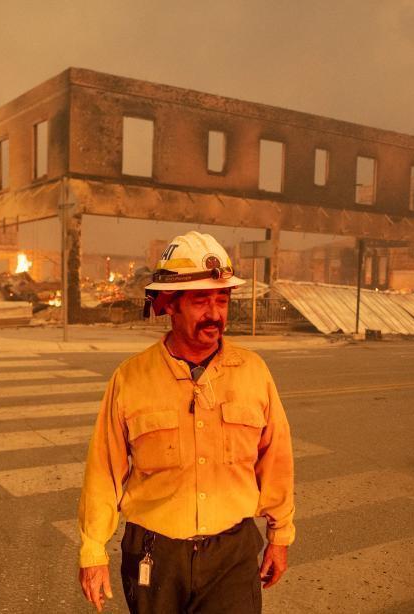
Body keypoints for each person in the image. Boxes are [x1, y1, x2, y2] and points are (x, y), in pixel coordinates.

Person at [77, 231, 295, 613]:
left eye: (222, 299)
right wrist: (93, 549)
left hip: (232, 554)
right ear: (168, 304)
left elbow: (276, 460)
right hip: (154, 554)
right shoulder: (130, 379)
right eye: (200, 300)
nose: (215, 313)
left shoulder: (254, 373)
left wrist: (280, 534)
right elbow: (103, 471)